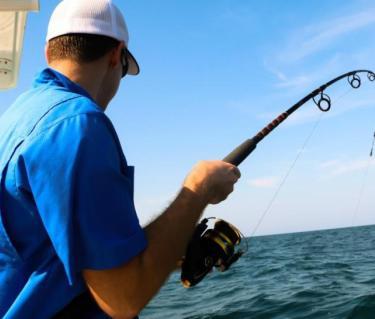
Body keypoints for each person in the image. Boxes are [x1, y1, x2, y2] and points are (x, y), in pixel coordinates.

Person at [0, 0, 241, 318]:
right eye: (125, 69)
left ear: (48, 53)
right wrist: (198, 190)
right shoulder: (77, 125)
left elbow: (56, 249)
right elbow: (122, 297)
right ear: (116, 55)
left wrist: (167, 249)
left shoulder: (16, 117)